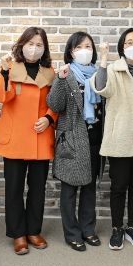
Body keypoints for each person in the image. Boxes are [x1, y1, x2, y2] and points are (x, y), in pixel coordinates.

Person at [91, 28, 133, 250]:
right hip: (120, 138)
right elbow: (101, 88)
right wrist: (103, 59)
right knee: (118, 186)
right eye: (130, 42)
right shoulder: (113, 69)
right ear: (122, 46)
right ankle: (116, 228)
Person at [0, 27, 57, 255]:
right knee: (14, 188)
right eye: (30, 43)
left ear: (44, 48)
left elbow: (56, 102)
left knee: (38, 188)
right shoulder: (10, 68)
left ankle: (33, 231)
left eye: (39, 45)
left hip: (40, 136)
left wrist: (49, 118)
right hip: (15, 138)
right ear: (22, 45)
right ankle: (18, 233)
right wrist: (4, 73)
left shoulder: (50, 72)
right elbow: (2, 97)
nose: (34, 48)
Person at [47, 32, 103, 252]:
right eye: (79, 47)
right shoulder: (66, 73)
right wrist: (60, 80)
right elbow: (55, 105)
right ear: (71, 52)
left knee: (89, 187)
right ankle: (71, 233)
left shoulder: (98, 73)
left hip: (95, 137)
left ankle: (88, 229)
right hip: (71, 138)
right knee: (69, 189)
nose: (84, 51)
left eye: (88, 46)